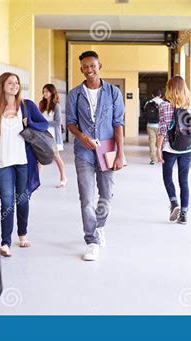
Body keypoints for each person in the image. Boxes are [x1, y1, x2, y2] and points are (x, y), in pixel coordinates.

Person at [66, 50, 125, 261]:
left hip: (108, 150)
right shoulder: (75, 94)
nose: (89, 70)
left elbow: (118, 124)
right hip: (84, 152)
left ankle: (100, 226)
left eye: (93, 66)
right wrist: (82, 137)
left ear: (100, 66)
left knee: (106, 194)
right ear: (81, 69)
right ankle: (91, 240)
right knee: (86, 197)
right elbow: (71, 123)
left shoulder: (113, 93)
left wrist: (120, 153)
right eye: (85, 67)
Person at [0, 72, 49, 257]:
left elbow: (44, 125)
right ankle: (5, 243)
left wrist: (31, 124)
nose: (15, 85)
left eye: (17, 83)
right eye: (10, 82)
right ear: (2, 85)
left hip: (23, 162)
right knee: (6, 202)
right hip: (1, 162)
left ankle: (22, 234)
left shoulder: (27, 106)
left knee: (22, 199)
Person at [157, 76, 191, 225]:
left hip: (169, 148)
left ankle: (174, 203)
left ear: (169, 88)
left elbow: (163, 129)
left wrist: (158, 149)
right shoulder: (189, 105)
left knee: (167, 177)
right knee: (184, 180)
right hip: (186, 147)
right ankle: (184, 214)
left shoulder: (164, 105)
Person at [39, 83, 67, 188]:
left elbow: (57, 122)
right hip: (43, 135)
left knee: (56, 157)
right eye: (44, 91)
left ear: (52, 92)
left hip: (53, 136)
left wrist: (44, 124)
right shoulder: (41, 104)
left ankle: (63, 177)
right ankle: (37, 181)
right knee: (40, 158)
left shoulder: (56, 106)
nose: (44, 93)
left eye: (47, 91)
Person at [144, 89, 164, 165]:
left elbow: (145, 112)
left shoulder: (148, 102)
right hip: (160, 126)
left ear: (152, 95)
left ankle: (153, 159)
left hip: (150, 125)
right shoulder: (163, 103)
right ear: (160, 95)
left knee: (152, 142)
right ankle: (160, 158)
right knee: (161, 143)